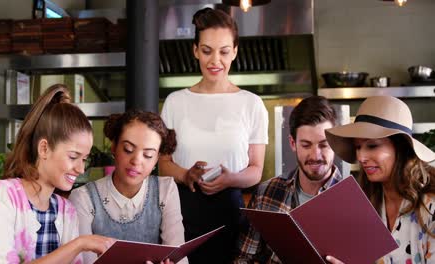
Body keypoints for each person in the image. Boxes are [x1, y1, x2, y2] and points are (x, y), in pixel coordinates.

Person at [159, 7, 268, 263]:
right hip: (183, 213)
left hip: (231, 213)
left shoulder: (251, 104)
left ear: (235, 51)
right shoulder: (176, 102)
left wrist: (231, 179)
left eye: (224, 51)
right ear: (195, 50)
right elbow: (163, 164)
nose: (215, 61)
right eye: (207, 51)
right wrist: (186, 174)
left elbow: (256, 169)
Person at [0, 84, 115, 263]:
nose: (81, 169)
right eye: (73, 156)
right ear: (44, 148)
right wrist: (79, 244)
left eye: (84, 159)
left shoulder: (66, 211)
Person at [325, 96, 435, 263]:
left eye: (372, 145)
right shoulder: (367, 202)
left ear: (401, 147)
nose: (361, 157)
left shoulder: (430, 207)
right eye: (358, 147)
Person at [235, 96, 344, 264]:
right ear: (293, 143)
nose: (316, 156)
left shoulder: (354, 201)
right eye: (306, 145)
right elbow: (244, 258)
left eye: (324, 145)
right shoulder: (266, 192)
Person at [69, 110, 187, 264]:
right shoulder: (83, 198)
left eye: (148, 155)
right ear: (114, 147)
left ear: (156, 159)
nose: (136, 161)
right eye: (128, 149)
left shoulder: (166, 190)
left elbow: (178, 257)